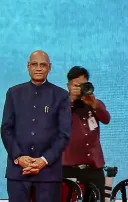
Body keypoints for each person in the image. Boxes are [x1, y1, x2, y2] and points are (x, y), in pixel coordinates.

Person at [1, 50, 72, 202]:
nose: (38, 68)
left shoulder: (61, 96)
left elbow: (64, 134)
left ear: (49, 68)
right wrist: (19, 157)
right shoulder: (14, 93)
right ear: (28, 67)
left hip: (48, 173)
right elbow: (6, 129)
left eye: (43, 65)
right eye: (34, 64)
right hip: (18, 172)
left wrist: (43, 160)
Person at [62, 66, 111, 202]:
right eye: (76, 85)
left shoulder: (95, 103)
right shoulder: (61, 105)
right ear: (68, 86)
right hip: (68, 170)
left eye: (83, 85)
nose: (80, 89)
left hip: (93, 169)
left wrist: (94, 104)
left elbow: (106, 119)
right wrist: (70, 100)